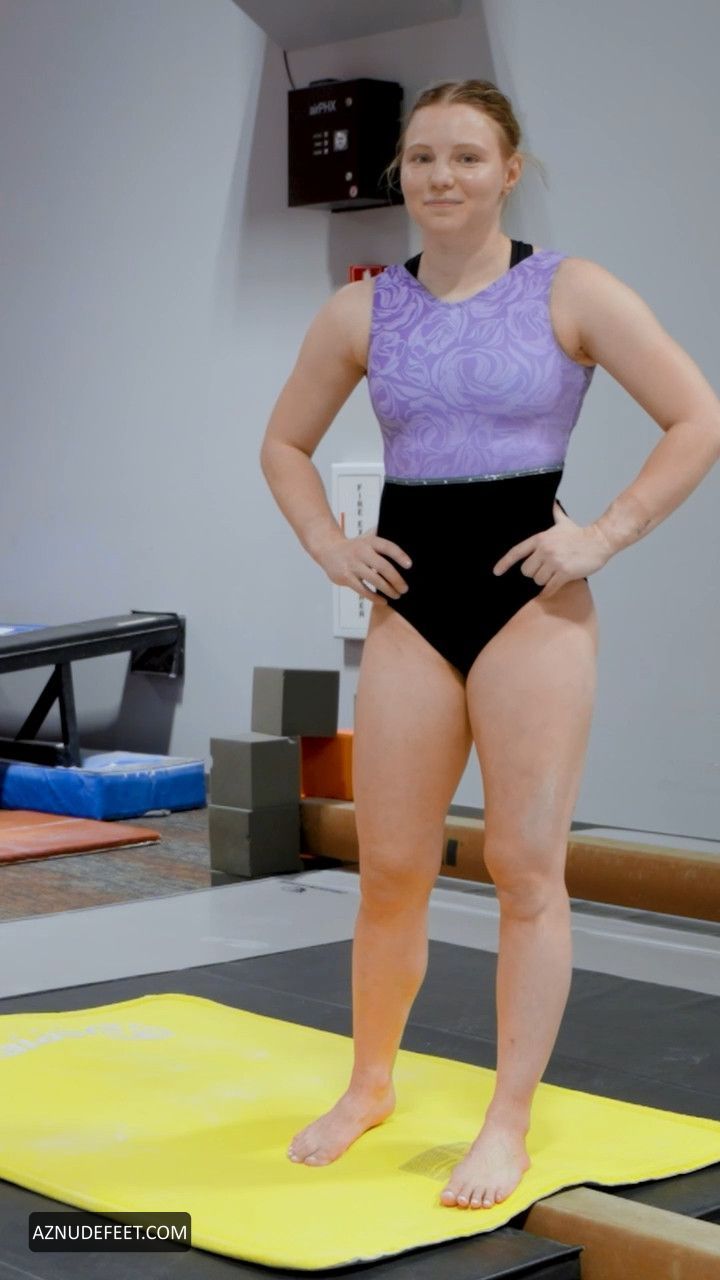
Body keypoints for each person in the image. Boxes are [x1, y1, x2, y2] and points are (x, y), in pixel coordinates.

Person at [259, 79, 720, 1211]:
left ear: (510, 170)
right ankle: (370, 1083)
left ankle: (507, 1116)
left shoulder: (571, 288)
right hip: (412, 607)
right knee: (390, 868)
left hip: (530, 606)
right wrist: (328, 543)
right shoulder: (364, 310)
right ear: (400, 172)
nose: (442, 177)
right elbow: (284, 442)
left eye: (467, 156)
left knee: (524, 866)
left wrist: (604, 533)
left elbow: (696, 416)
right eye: (422, 157)